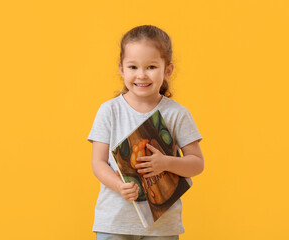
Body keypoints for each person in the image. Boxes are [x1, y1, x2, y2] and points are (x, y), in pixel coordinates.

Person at [87, 25, 204, 240]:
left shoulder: (177, 114)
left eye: (151, 66)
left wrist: (166, 163)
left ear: (167, 70)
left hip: (163, 226)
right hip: (115, 222)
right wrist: (119, 186)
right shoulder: (109, 111)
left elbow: (197, 163)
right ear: (121, 69)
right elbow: (98, 162)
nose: (141, 75)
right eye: (132, 67)